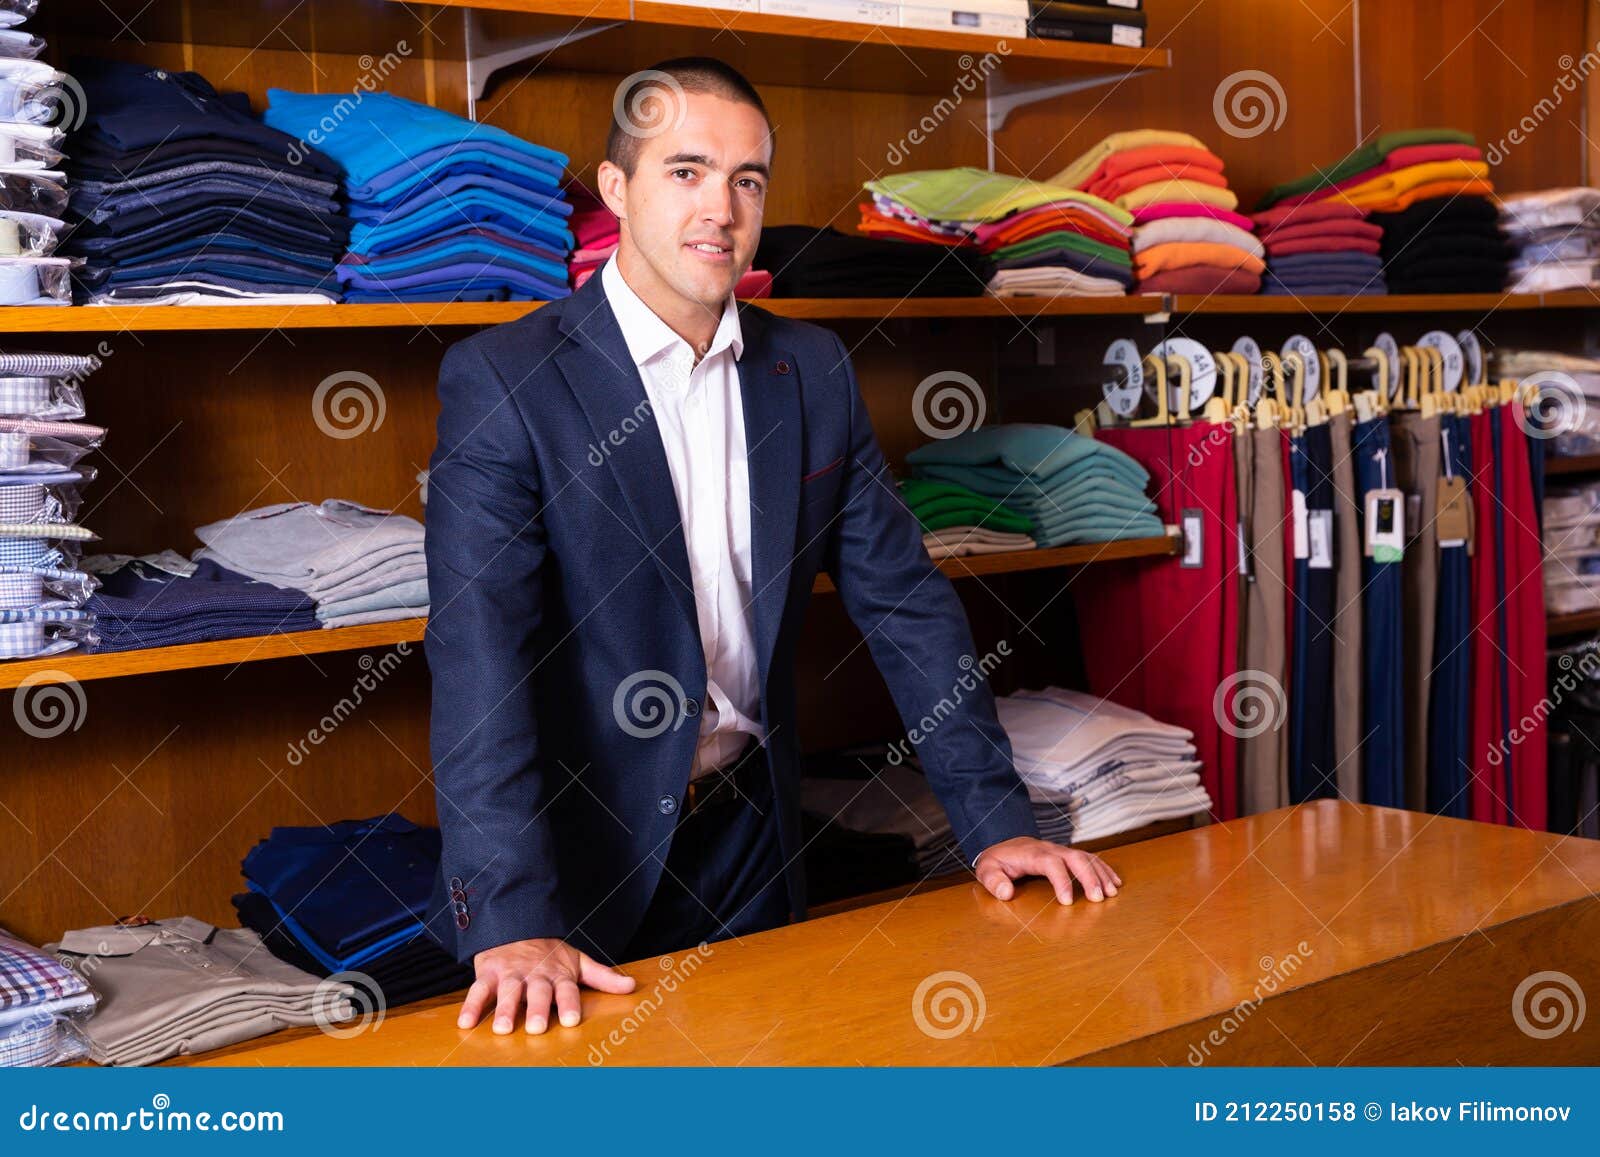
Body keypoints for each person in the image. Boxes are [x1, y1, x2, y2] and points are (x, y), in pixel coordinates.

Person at [423, 56, 1124, 1037]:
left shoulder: (810, 367)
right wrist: (509, 912)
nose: (720, 207)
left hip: (754, 831)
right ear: (617, 187)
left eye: (746, 179)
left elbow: (905, 602)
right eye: (686, 171)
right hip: (581, 854)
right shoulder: (506, 378)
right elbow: (477, 659)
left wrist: (996, 821)